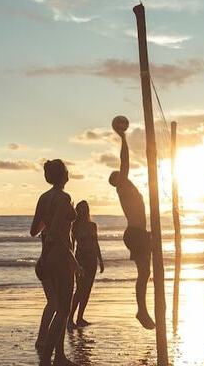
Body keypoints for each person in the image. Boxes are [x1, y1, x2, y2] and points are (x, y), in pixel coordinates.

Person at [108, 115, 156, 330]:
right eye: (118, 174)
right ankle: (141, 310)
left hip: (140, 233)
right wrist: (123, 138)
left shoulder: (127, 187)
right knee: (144, 273)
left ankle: (143, 309)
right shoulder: (123, 186)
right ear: (116, 181)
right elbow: (125, 161)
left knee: (146, 273)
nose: (122, 174)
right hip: (135, 233)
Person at [31, 159, 80, 366]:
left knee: (60, 306)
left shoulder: (43, 198)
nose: (69, 173)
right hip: (60, 255)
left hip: (45, 256)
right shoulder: (63, 197)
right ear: (63, 175)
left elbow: (34, 230)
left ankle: (59, 355)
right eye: (67, 170)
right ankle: (47, 358)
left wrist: (49, 220)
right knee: (64, 310)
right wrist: (74, 261)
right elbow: (56, 236)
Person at [69, 200, 104, 330]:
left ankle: (80, 317)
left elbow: (96, 243)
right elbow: (71, 245)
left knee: (87, 290)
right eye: (81, 209)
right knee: (79, 290)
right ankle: (70, 318)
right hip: (81, 259)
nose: (83, 211)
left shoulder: (92, 225)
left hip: (92, 260)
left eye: (85, 208)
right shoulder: (75, 226)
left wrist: (100, 260)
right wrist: (71, 262)